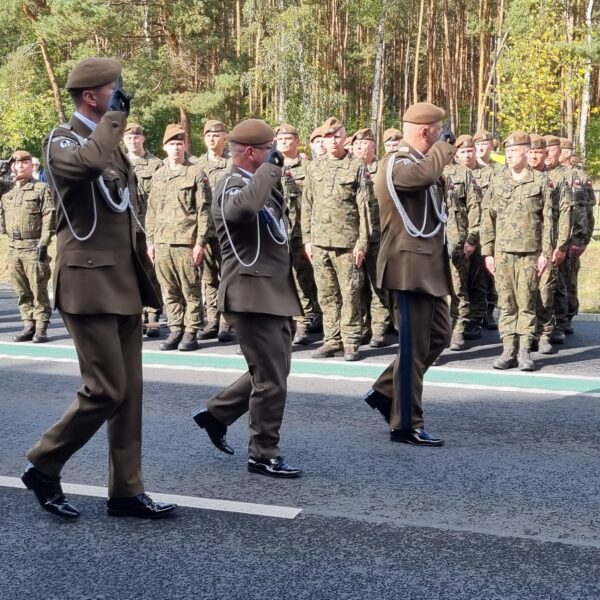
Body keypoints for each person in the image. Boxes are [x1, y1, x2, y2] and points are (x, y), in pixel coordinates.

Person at [22, 57, 176, 519]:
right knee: (105, 388)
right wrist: (113, 120)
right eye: (115, 88)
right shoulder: (61, 140)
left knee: (129, 394)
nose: (122, 94)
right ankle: (44, 464)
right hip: (87, 281)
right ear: (92, 97)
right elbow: (87, 168)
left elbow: (124, 208)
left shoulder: (110, 142)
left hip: (123, 280)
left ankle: (126, 491)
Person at [192, 118, 302, 478]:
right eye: (270, 149)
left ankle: (218, 413)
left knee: (274, 370)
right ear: (252, 153)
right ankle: (262, 452)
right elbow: (242, 211)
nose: (277, 154)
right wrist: (269, 171)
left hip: (272, 293)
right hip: (250, 294)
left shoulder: (260, 184)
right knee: (271, 378)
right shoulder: (229, 185)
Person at [364, 102, 455, 446]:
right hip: (406, 267)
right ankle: (405, 424)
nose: (442, 136)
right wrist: (445, 149)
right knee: (413, 347)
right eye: (439, 130)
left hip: (427, 267)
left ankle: (385, 390)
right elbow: (423, 178)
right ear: (426, 131)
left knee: (438, 336)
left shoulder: (418, 162)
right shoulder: (396, 163)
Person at [481, 132, 553, 372]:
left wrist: (546, 252)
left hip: (530, 252)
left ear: (526, 152)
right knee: (507, 303)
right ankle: (508, 350)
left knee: (527, 302)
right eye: (508, 152)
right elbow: (487, 218)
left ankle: (524, 352)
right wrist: (487, 252)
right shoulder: (498, 181)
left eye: (514, 151)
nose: (510, 155)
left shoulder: (540, 181)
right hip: (502, 253)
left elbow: (549, 219)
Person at [302, 117, 369, 361]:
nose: (333, 141)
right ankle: (332, 340)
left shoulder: (356, 166)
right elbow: (306, 204)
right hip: (320, 242)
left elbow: (365, 209)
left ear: (345, 138)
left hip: (348, 244)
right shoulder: (314, 167)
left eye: (337, 136)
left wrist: (362, 242)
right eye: (328, 137)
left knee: (350, 293)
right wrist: (307, 239)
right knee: (327, 295)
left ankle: (351, 342)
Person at [145, 124, 212, 352]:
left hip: (186, 241)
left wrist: (200, 242)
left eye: (179, 144)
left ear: (185, 146)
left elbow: (204, 210)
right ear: (164, 148)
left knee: (190, 289)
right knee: (169, 290)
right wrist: (151, 242)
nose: (176, 148)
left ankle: (191, 331)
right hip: (163, 242)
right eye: (171, 144)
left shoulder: (196, 173)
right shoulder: (159, 174)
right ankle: (176, 328)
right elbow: (152, 211)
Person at [0, 150, 55, 343]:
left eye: (25, 163)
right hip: (14, 246)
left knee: (38, 289)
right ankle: (28, 325)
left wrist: (44, 242)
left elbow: (49, 215)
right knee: (21, 290)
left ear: (32, 166)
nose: (20, 166)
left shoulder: (41, 188)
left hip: (33, 245)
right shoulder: (8, 190)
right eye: (16, 163)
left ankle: (41, 328)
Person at [275, 123, 321, 344]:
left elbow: (315, 202)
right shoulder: (270, 167)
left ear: (297, 140)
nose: (284, 142)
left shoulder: (309, 167)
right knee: (280, 280)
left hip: (299, 231)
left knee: (302, 278)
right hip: (277, 233)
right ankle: (284, 323)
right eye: (281, 139)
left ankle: (303, 323)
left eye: (289, 138)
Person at [527, 134, 571, 354]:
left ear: (546, 154)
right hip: (524, 245)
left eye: (538, 152)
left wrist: (561, 245)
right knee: (526, 293)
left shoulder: (557, 181)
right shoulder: (519, 177)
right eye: (531, 152)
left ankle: (545, 334)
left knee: (546, 291)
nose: (535, 156)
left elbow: (564, 215)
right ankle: (527, 335)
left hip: (549, 244)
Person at [195, 120, 236, 343]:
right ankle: (212, 318)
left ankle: (226, 322)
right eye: (208, 135)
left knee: (228, 277)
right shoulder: (196, 164)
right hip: (205, 231)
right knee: (208, 278)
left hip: (229, 230)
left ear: (225, 137)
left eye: (216, 134)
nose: (212, 138)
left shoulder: (233, 164)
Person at [123, 121, 163, 338]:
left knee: (151, 272)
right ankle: (134, 315)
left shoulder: (155, 164)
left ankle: (154, 315)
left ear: (143, 139)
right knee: (129, 273)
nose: (133, 141)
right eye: (129, 138)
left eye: (136, 137)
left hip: (147, 225)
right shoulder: (118, 162)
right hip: (124, 226)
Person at [351, 127, 390, 347]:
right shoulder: (350, 169)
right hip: (354, 236)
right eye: (355, 144)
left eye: (363, 143)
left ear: (373, 146)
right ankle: (362, 327)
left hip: (378, 236)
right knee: (358, 286)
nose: (358, 147)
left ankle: (378, 329)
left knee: (378, 284)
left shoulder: (382, 170)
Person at [444, 135, 483, 350]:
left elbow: (475, 208)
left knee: (458, 287)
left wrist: (472, 238)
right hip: (434, 242)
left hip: (458, 241)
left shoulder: (464, 174)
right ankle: (439, 330)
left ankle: (459, 330)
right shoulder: (428, 172)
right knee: (436, 291)